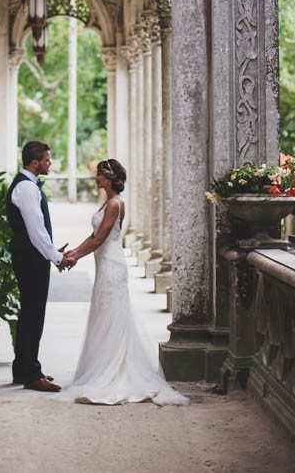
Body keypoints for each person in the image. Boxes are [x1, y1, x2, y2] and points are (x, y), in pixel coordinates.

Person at [61, 159, 189, 406]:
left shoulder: (115, 204)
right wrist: (73, 252)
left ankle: (113, 371)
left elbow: (99, 240)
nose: (96, 178)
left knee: (111, 315)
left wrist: (75, 256)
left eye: (99, 174)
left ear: (108, 179)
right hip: (104, 264)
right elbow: (92, 237)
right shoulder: (108, 203)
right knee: (103, 315)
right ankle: (104, 366)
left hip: (111, 265)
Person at [6, 140, 75, 392]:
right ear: (34, 163)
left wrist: (53, 252)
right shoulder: (26, 188)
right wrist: (56, 257)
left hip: (30, 255)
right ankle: (31, 374)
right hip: (30, 258)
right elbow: (36, 231)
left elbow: (37, 232)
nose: (50, 163)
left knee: (29, 313)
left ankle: (23, 368)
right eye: (47, 160)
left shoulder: (26, 185)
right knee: (33, 315)